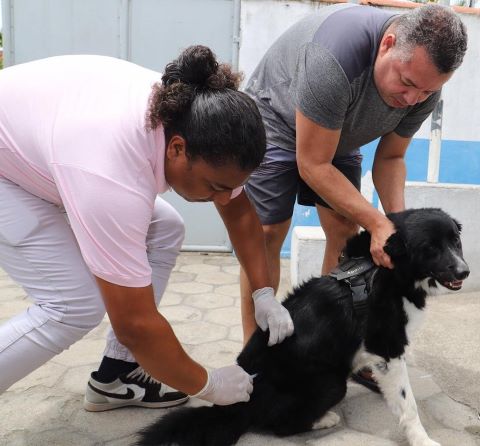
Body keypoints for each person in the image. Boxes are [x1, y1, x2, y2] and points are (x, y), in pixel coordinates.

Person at [0, 45, 294, 411]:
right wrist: (208, 384)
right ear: (176, 149)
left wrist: (263, 293)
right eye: (216, 187)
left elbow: (240, 212)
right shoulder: (111, 178)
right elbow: (134, 324)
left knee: (165, 227)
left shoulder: (191, 113)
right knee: (74, 304)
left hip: (43, 146)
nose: (222, 198)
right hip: (11, 170)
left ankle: (117, 375)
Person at [240, 4, 467, 388]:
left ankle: (338, 346)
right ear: (387, 45)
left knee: (345, 229)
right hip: (274, 121)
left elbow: (392, 157)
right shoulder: (336, 58)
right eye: (407, 83)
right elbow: (312, 164)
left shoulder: (424, 83)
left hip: (340, 134)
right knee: (267, 233)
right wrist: (377, 222)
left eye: (426, 91)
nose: (413, 99)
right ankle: (254, 359)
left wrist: (399, 231)